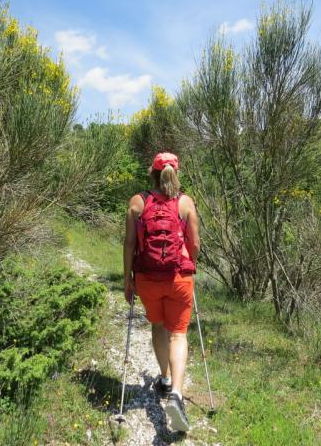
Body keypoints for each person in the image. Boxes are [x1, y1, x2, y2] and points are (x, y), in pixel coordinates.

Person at [123, 152, 200, 433]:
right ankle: (176, 394)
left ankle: (165, 379)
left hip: (147, 278)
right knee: (178, 333)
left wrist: (127, 279)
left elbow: (129, 245)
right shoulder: (185, 203)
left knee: (158, 326)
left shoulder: (137, 202)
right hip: (179, 278)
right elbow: (195, 243)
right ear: (175, 174)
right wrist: (190, 265)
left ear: (152, 174)